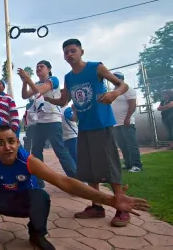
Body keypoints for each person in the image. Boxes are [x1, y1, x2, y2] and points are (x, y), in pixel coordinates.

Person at [0, 125, 150, 250]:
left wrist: (109, 200)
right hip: (1, 200)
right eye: (1, 143)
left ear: (17, 142)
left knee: (40, 195)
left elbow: (65, 182)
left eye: (11, 141)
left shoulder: (28, 160)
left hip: (25, 203)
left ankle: (36, 234)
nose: (7, 147)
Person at [45, 38, 131, 227]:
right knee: (90, 169)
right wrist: (46, 99)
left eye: (73, 51)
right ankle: (97, 207)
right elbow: (63, 101)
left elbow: (123, 85)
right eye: (66, 52)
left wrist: (114, 94)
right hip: (84, 128)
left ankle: (121, 208)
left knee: (111, 167)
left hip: (102, 125)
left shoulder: (96, 67)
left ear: (81, 52)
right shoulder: (68, 77)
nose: (69, 54)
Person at [18, 61, 76, 187]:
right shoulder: (37, 83)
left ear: (49, 69)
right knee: (36, 152)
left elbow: (39, 92)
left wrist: (28, 79)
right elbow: (24, 95)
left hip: (53, 120)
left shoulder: (53, 80)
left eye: (41, 66)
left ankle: (76, 179)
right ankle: (39, 182)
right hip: (39, 122)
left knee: (60, 150)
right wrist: (24, 81)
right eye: (37, 66)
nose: (38, 68)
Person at [111, 72, 142, 172]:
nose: (113, 79)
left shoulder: (128, 89)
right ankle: (128, 163)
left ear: (121, 78)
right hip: (116, 123)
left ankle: (137, 165)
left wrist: (128, 117)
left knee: (131, 144)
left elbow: (132, 105)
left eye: (115, 77)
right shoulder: (113, 91)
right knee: (122, 144)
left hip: (126, 121)